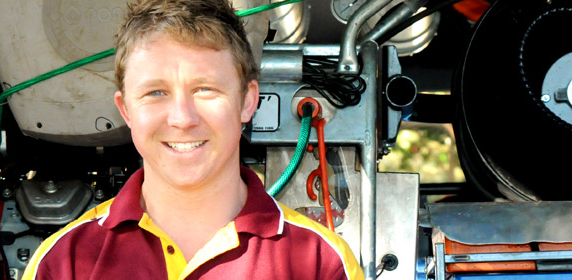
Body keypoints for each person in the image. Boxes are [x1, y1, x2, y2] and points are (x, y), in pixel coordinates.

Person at [21, 0, 363, 279]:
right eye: (156, 92)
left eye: (205, 90)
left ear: (247, 101)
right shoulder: (63, 263)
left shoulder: (320, 264)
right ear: (126, 110)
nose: (182, 118)